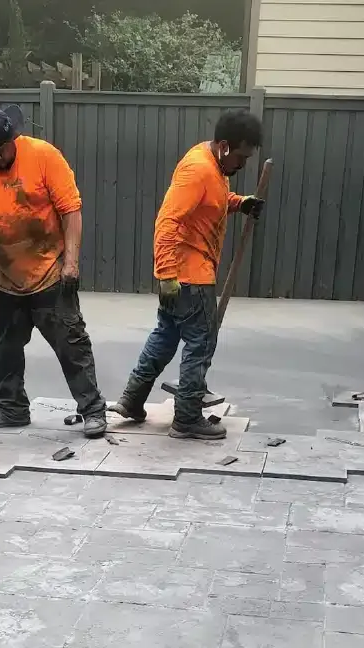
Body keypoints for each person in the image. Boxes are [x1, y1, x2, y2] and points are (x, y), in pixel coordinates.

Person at [109, 110, 265, 440]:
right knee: (200, 344)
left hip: (181, 277)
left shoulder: (213, 165)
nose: (243, 164)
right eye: (241, 156)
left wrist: (240, 203)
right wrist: (166, 273)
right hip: (190, 276)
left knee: (164, 337)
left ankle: (132, 400)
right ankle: (188, 417)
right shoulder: (198, 169)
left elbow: (211, 202)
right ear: (224, 147)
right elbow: (168, 221)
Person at [0, 106, 107, 437]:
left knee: (72, 344)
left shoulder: (43, 156)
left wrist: (71, 263)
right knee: (3, 348)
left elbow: (71, 210)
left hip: (51, 272)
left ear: (13, 138)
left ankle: (93, 411)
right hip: (3, 277)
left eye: (0, 150)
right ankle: (11, 409)